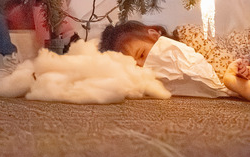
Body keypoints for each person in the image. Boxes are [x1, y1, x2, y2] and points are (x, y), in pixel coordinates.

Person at [99, 21, 250, 100]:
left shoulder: (189, 35)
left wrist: (236, 74)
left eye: (142, 55)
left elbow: (223, 62)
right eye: (135, 66)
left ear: (153, 35)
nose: (144, 66)